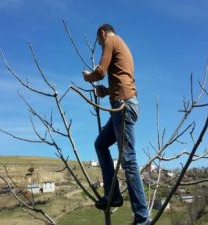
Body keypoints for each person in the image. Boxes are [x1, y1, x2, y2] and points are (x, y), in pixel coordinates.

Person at [82, 24, 149, 225]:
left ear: (102, 33)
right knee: (100, 144)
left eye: (99, 40)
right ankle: (114, 195)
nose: (101, 44)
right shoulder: (123, 47)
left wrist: (89, 77)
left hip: (124, 107)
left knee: (128, 160)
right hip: (124, 104)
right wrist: (106, 92)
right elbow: (121, 80)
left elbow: (101, 71)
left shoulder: (111, 40)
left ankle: (142, 218)